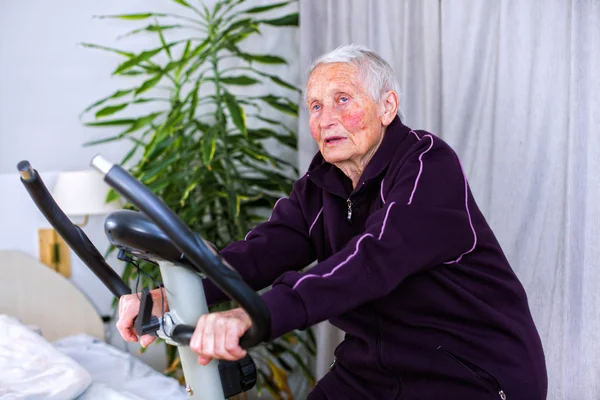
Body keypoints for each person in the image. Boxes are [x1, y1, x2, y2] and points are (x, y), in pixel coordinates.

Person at [117, 44, 548, 399]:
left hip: (467, 369)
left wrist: (257, 314)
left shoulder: (427, 165)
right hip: (374, 370)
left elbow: (373, 259)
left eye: (342, 100)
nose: (325, 120)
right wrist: (173, 296)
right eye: (316, 106)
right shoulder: (323, 182)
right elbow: (264, 249)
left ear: (387, 106)